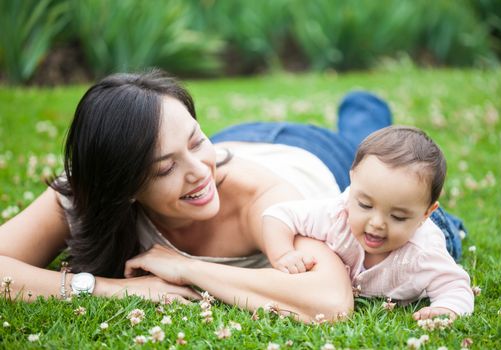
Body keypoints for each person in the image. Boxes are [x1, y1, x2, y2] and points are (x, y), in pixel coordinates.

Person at [0, 70, 465, 322]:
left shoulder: (269, 205)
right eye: (165, 168)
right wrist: (107, 288)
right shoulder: (87, 190)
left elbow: (329, 301)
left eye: (196, 139)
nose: (199, 170)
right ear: (121, 186)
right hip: (238, 140)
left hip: (306, 154)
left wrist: (186, 269)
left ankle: (366, 105)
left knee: (375, 148)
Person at [260, 126, 474, 320]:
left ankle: (450, 223)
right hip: (407, 208)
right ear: (352, 182)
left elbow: (455, 286)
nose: (377, 223)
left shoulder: (424, 253)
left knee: (451, 233)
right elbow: (279, 214)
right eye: (365, 205)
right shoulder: (337, 214)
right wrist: (283, 253)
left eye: (397, 216)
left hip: (437, 229)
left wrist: (447, 308)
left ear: (425, 213)